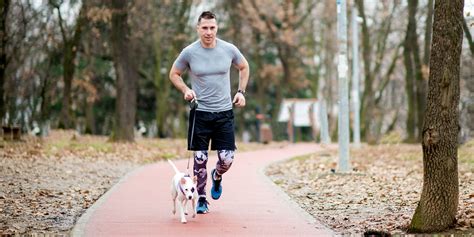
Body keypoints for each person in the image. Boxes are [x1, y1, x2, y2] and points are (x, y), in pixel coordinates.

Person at [169, 11, 249, 214]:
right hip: (201, 114)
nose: (208, 32)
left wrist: (241, 92)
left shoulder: (228, 49)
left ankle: (217, 176)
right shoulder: (189, 52)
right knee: (200, 159)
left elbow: (244, 66)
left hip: (224, 113)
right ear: (198, 28)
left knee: (227, 159)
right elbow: (174, 74)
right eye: (204, 28)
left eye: (212, 27)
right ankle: (202, 198)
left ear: (217, 28)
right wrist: (186, 90)